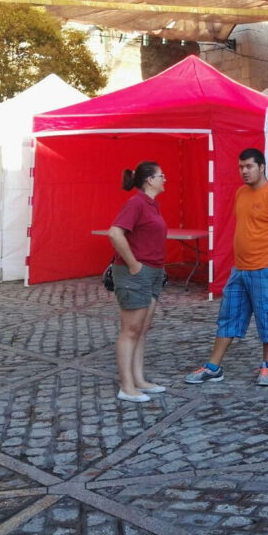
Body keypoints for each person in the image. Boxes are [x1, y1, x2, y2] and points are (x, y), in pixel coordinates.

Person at [186, 148, 268, 387]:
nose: (244, 171)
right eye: (241, 167)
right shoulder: (241, 193)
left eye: (249, 166)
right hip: (241, 269)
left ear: (262, 167)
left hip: (266, 268)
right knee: (229, 314)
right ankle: (214, 367)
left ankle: (267, 367)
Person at [108, 161, 168, 402]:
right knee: (130, 330)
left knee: (142, 329)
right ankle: (126, 386)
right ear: (150, 180)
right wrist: (133, 263)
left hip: (152, 273)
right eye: (161, 176)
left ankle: (139, 380)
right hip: (136, 274)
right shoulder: (136, 203)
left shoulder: (152, 205)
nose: (165, 179)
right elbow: (115, 232)